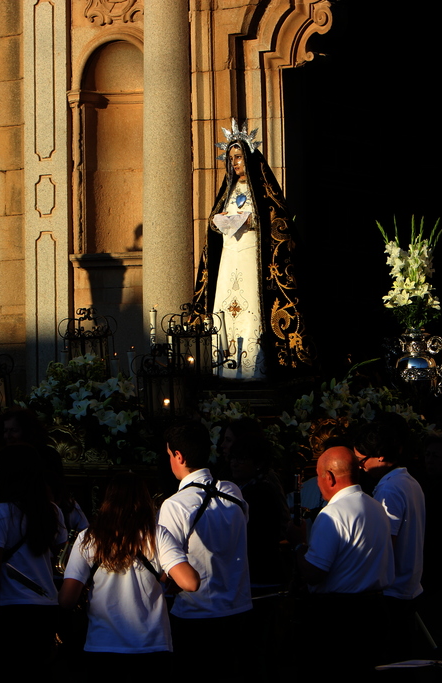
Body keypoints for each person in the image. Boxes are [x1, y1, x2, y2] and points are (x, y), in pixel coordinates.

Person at [193, 120, 312, 378]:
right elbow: (215, 223)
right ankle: (223, 367)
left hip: (251, 257)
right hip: (229, 257)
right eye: (231, 158)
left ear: (249, 157)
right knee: (225, 306)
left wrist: (251, 221)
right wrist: (218, 221)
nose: (235, 163)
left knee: (250, 305)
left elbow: (277, 220)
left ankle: (251, 368)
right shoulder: (229, 189)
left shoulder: (262, 190)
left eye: (239, 157)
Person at [59, 473, 199, 662]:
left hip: (102, 645)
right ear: (144, 501)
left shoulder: (88, 537)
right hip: (152, 646)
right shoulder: (157, 535)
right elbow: (190, 583)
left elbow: (67, 599)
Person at [157, 420, 251, 672]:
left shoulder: (174, 505)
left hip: (195, 614)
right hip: (238, 610)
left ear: (178, 455)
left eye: (169, 455)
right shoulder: (233, 492)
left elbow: (167, 566)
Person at [297, 446, 393, 678]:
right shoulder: (376, 507)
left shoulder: (333, 514)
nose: (317, 485)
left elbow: (314, 573)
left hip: (338, 619)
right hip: (375, 612)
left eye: (318, 477)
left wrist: (298, 545)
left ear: (328, 477)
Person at [0, 446, 67, 679]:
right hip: (46, 605)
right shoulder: (52, 510)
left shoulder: (0, 511)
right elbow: (58, 551)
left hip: (13, 609)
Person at [354, 417, 426, 665]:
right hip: (408, 585)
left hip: (393, 591)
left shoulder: (390, 489)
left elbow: (387, 542)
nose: (360, 467)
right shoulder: (408, 481)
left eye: (362, 461)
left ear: (381, 456)